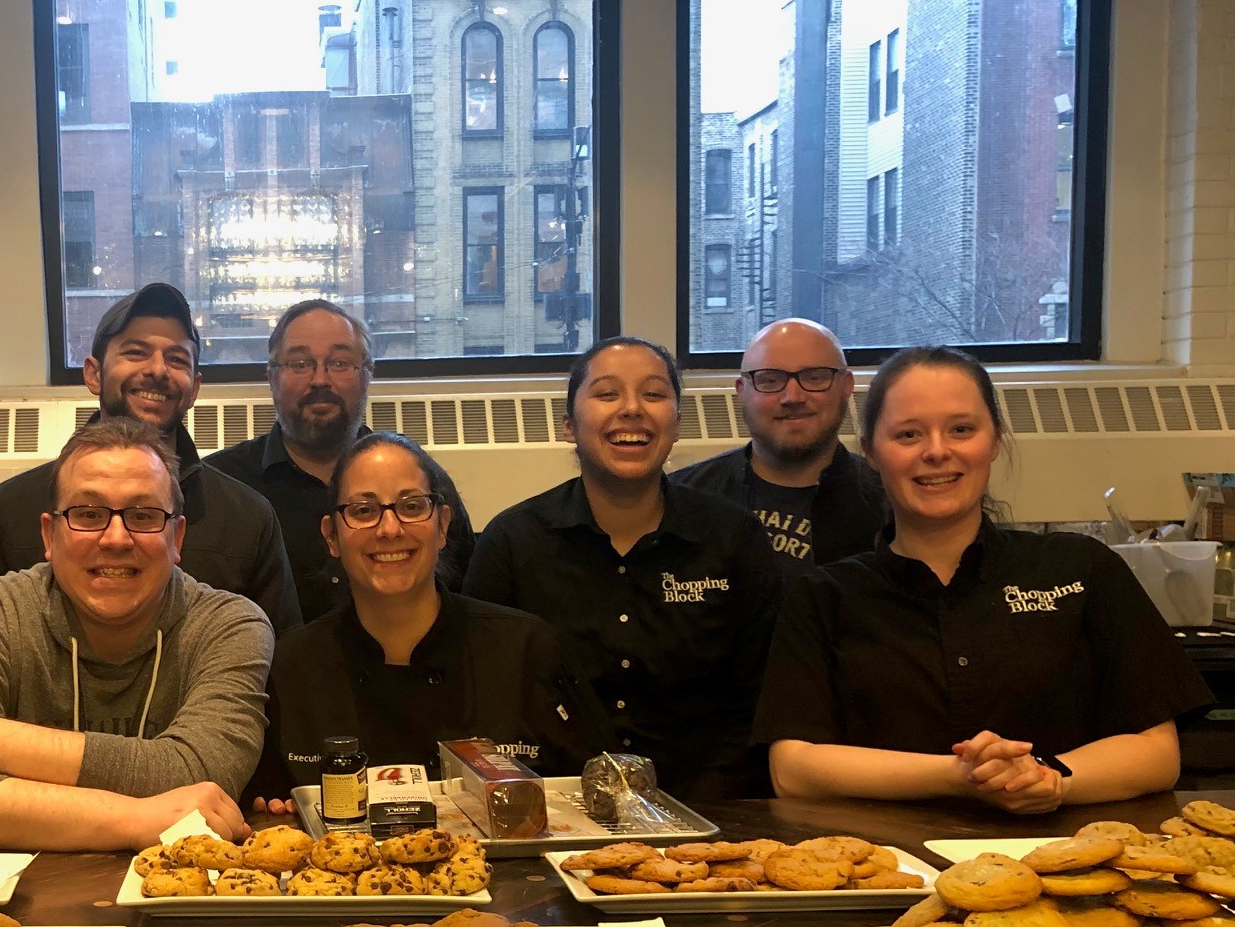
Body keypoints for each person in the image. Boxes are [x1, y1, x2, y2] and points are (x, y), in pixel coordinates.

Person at [756, 347, 1211, 812]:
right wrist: (961, 776)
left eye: (961, 429)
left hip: (1063, 865)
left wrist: (1053, 782)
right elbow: (793, 770)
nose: (936, 452)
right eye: (908, 434)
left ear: (994, 440)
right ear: (871, 452)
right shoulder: (825, 596)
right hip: (888, 870)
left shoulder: (1082, 568)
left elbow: (1157, 752)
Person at [0, 418, 272, 850]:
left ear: (177, 537)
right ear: (49, 534)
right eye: (89, 514)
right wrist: (135, 819)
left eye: (143, 516)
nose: (116, 538)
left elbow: (197, 771)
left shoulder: (230, 624)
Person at [462, 336, 782, 797]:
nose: (632, 409)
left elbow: (762, 697)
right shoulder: (513, 542)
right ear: (569, 425)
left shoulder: (734, 539)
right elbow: (484, 698)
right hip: (553, 810)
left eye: (653, 394)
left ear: (676, 422)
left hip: (713, 811)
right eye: (607, 393)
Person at [253, 432, 613, 809]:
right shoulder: (290, 666)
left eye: (411, 507)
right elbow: (268, 812)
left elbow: (602, 795)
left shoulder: (527, 649)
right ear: (332, 536)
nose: (390, 529)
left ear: (442, 525)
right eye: (363, 511)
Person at [0, 282, 301, 631]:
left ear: (195, 388)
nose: (158, 370)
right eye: (136, 352)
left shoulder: (247, 517)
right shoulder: (11, 508)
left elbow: (280, 661)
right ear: (94, 374)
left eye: (176, 359)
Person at [205, 298, 476, 621]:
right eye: (300, 363)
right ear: (272, 377)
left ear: (368, 375)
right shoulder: (221, 490)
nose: (320, 380)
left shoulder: (423, 483)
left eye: (340, 363)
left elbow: (465, 606)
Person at [669, 317, 885, 572]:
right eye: (770, 380)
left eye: (815, 378)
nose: (793, 397)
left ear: (847, 385)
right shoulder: (679, 501)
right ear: (742, 390)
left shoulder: (891, 505)